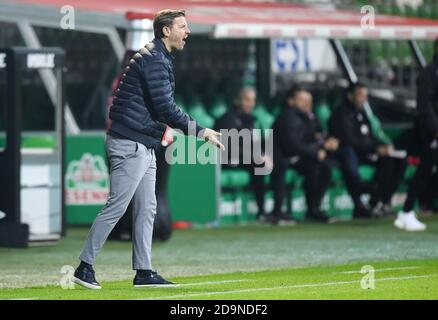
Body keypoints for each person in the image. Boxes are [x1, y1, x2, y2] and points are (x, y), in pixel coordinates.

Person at [73, 9, 224, 290]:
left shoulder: (158, 57)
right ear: (166, 31)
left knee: (147, 208)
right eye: (182, 26)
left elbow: (158, 107)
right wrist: (200, 131)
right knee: (118, 206)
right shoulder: (154, 60)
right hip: (130, 143)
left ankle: (144, 272)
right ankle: (84, 267)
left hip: (144, 142)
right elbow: (165, 108)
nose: (187, 31)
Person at [329, 82, 406, 219]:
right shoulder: (340, 114)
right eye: (360, 95)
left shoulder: (361, 113)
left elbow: (369, 136)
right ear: (350, 96)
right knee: (386, 162)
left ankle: (383, 202)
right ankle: (372, 203)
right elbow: (348, 139)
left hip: (366, 152)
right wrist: (375, 148)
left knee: (399, 161)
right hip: (352, 153)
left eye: (365, 96)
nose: (363, 99)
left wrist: (382, 145)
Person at [271, 87, 339, 223]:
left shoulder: (309, 116)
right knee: (314, 167)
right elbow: (292, 145)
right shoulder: (288, 117)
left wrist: (327, 142)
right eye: (301, 100)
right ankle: (280, 211)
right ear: (290, 101)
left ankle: (314, 209)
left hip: (300, 156)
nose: (306, 104)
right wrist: (315, 152)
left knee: (325, 167)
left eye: (309, 101)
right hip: (282, 157)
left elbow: (316, 135)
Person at [394, 39, 438, 231]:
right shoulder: (430, 73)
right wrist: (435, 129)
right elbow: (425, 105)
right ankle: (406, 210)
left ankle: (417, 206)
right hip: (430, 132)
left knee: (427, 171)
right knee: (425, 170)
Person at [214, 87, 272, 222]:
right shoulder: (227, 119)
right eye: (246, 99)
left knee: (271, 162)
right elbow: (231, 147)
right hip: (226, 159)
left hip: (243, 158)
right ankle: (262, 212)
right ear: (237, 100)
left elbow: (255, 142)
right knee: (259, 163)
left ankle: (273, 210)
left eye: (252, 100)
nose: (250, 103)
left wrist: (263, 153)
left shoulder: (252, 120)